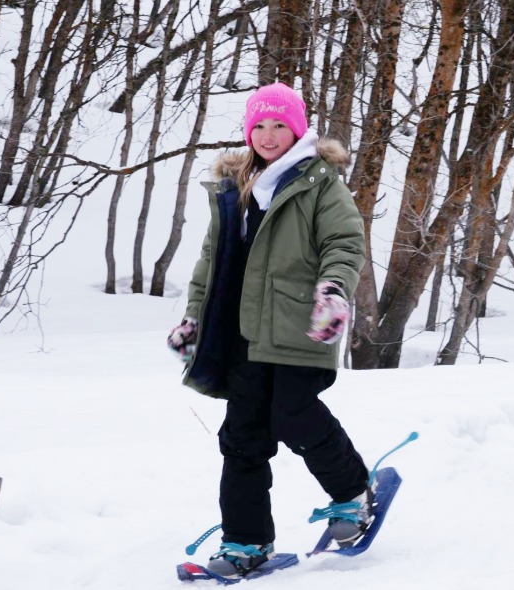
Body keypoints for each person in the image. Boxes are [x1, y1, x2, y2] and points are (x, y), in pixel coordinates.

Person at [165, 82, 373, 579]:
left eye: (280, 124)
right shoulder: (235, 187)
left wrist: (334, 291)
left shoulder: (320, 182)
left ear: (297, 128)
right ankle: (246, 541)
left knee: (294, 415)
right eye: (259, 125)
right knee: (242, 436)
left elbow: (344, 242)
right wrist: (194, 316)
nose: (269, 134)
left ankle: (351, 493)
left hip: (302, 322)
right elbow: (211, 261)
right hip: (240, 332)